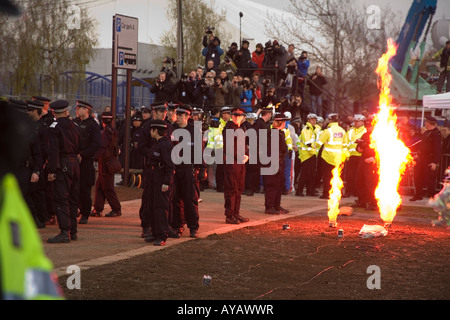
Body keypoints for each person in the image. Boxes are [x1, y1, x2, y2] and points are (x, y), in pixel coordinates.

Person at [0, 98, 63, 299]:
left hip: (24, 171)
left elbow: (38, 153)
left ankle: (41, 218)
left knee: (31, 198)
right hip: (17, 172)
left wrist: (36, 170)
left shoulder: (8, 198)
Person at [46, 100, 81, 243]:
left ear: (54, 112)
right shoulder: (76, 126)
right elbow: (81, 144)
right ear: (66, 112)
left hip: (62, 165)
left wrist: (51, 170)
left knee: (61, 198)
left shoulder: (54, 127)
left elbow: (53, 151)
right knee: (73, 198)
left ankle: (64, 231)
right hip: (75, 164)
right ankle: (73, 231)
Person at [170, 105, 204, 238]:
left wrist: (201, 168)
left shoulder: (194, 131)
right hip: (176, 169)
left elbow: (199, 152)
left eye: (180, 115)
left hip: (189, 169)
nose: (177, 117)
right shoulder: (172, 130)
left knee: (190, 200)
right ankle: (178, 225)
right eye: (176, 114)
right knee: (176, 199)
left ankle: (193, 227)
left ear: (187, 116)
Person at [143, 120, 175, 246]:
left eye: (151, 130)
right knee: (153, 206)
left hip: (161, 180)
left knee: (161, 208)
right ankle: (156, 233)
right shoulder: (157, 144)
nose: (150, 132)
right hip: (153, 180)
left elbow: (170, 166)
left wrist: (166, 182)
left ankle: (162, 235)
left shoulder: (165, 146)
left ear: (156, 131)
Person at [74, 100, 102, 225]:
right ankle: (75, 210)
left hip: (86, 161)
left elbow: (96, 144)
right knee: (74, 188)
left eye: (79, 108)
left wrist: (83, 154)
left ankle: (85, 213)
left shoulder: (93, 125)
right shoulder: (74, 123)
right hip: (73, 160)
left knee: (85, 188)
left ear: (86, 110)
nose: (77, 110)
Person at [222, 107, 250, 224]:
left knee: (239, 189)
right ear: (232, 116)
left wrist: (247, 155)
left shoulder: (241, 128)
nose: (237, 118)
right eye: (235, 115)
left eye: (240, 116)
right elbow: (228, 148)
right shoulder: (229, 129)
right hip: (232, 163)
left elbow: (244, 145)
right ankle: (229, 215)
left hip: (240, 163)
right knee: (231, 189)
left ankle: (236, 213)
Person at [92, 112, 122, 217]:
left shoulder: (105, 133)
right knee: (100, 185)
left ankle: (116, 208)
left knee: (107, 187)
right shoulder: (113, 132)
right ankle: (97, 208)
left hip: (105, 163)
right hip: (108, 162)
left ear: (102, 121)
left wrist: (94, 157)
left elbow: (102, 147)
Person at [316, 113, 348, 199]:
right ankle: (339, 192)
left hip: (327, 157)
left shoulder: (328, 131)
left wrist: (312, 145)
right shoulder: (342, 131)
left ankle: (326, 193)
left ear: (330, 120)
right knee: (338, 175)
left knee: (327, 176)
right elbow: (345, 145)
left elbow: (318, 143)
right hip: (339, 157)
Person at [263, 113, 290, 214]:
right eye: (283, 122)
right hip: (273, 163)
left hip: (279, 162)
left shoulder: (279, 133)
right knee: (272, 185)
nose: (284, 124)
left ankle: (276, 205)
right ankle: (269, 206)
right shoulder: (273, 133)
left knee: (278, 185)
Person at [410, 116, 442, 200]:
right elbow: (423, 147)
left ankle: (433, 197)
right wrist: (419, 154)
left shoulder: (436, 134)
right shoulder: (426, 133)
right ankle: (418, 195)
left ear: (428, 123)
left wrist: (435, 162)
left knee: (430, 180)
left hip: (430, 159)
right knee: (418, 177)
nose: (425, 123)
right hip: (422, 159)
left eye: (426, 122)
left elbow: (437, 149)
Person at [296, 113, 319, 197]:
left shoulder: (312, 129)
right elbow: (307, 142)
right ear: (308, 120)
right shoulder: (306, 129)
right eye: (312, 120)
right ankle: (299, 191)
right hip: (306, 154)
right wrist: (314, 148)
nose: (314, 121)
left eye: (315, 120)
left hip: (311, 154)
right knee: (305, 174)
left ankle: (310, 190)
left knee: (311, 174)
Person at [344, 114, 367, 198]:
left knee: (360, 176)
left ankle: (357, 193)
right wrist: (346, 155)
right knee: (349, 176)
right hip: (351, 156)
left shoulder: (365, 131)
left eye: (358, 121)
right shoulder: (350, 131)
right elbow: (345, 144)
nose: (356, 123)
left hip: (361, 156)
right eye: (355, 121)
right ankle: (348, 192)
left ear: (362, 122)